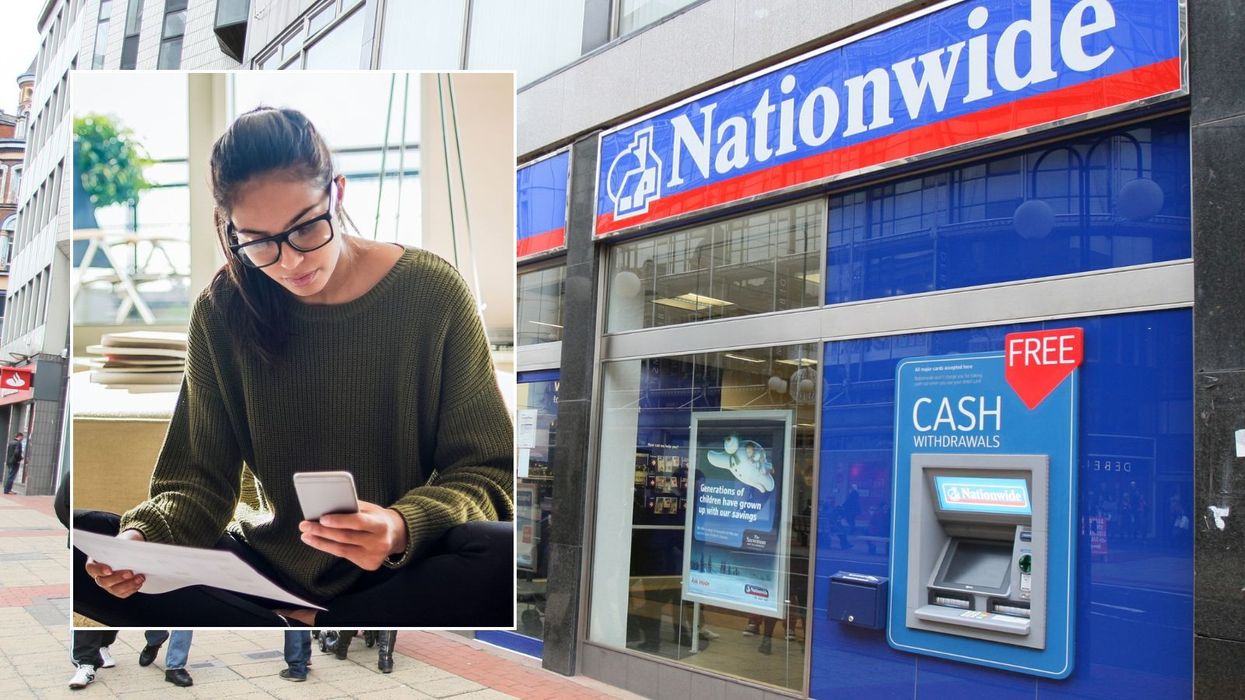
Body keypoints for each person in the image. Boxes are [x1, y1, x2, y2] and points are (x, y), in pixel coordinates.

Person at [73, 107, 514, 627]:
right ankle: (312, 624)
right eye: (257, 241)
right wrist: (140, 544)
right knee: (85, 546)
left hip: (397, 569)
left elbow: (491, 471)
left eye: (305, 228)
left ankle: (301, 624)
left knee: (500, 555)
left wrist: (400, 525)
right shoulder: (221, 310)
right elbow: (198, 483)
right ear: (230, 229)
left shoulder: (432, 292)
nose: (289, 262)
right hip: (265, 566)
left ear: (338, 194)